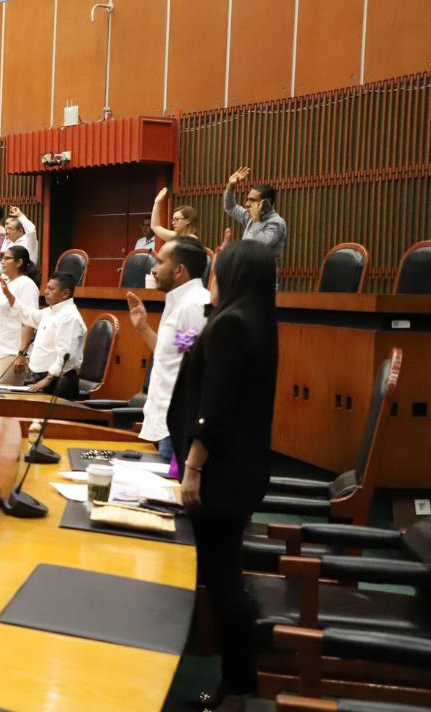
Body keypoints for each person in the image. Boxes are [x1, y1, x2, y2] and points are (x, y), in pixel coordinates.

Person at [167, 239, 278, 712]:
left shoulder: (231, 324)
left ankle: (237, 687)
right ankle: (238, 683)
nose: (211, 277)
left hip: (221, 472)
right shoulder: (254, 319)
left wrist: (193, 468)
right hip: (238, 469)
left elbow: (217, 408)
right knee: (222, 573)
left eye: (217, 270)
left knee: (223, 577)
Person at [126, 236, 210, 462]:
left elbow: (201, 372)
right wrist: (143, 328)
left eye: (160, 262)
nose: (154, 269)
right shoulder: (179, 302)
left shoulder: (195, 305)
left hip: (177, 427)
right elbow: (173, 355)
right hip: (163, 423)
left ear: (179, 270)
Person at [0, 245, 38, 386]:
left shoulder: (26, 285)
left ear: (19, 262)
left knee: (4, 399)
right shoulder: (2, 286)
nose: (1, 262)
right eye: (1, 258)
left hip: (11, 351)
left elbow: (30, 320)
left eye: (6, 258)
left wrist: (22, 353)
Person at [25, 272, 87, 399]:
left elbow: (66, 356)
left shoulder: (69, 317)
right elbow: (28, 315)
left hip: (59, 382)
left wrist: (48, 379)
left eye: (51, 289)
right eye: (47, 287)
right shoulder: (50, 311)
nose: (46, 291)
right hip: (44, 379)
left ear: (65, 293)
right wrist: (9, 297)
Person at [222, 166, 288, 269]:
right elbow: (230, 207)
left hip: (262, 277)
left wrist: (257, 220)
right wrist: (230, 186)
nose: (247, 204)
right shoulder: (250, 217)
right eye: (247, 199)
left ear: (266, 203)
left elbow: (260, 246)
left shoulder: (277, 223)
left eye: (252, 200)